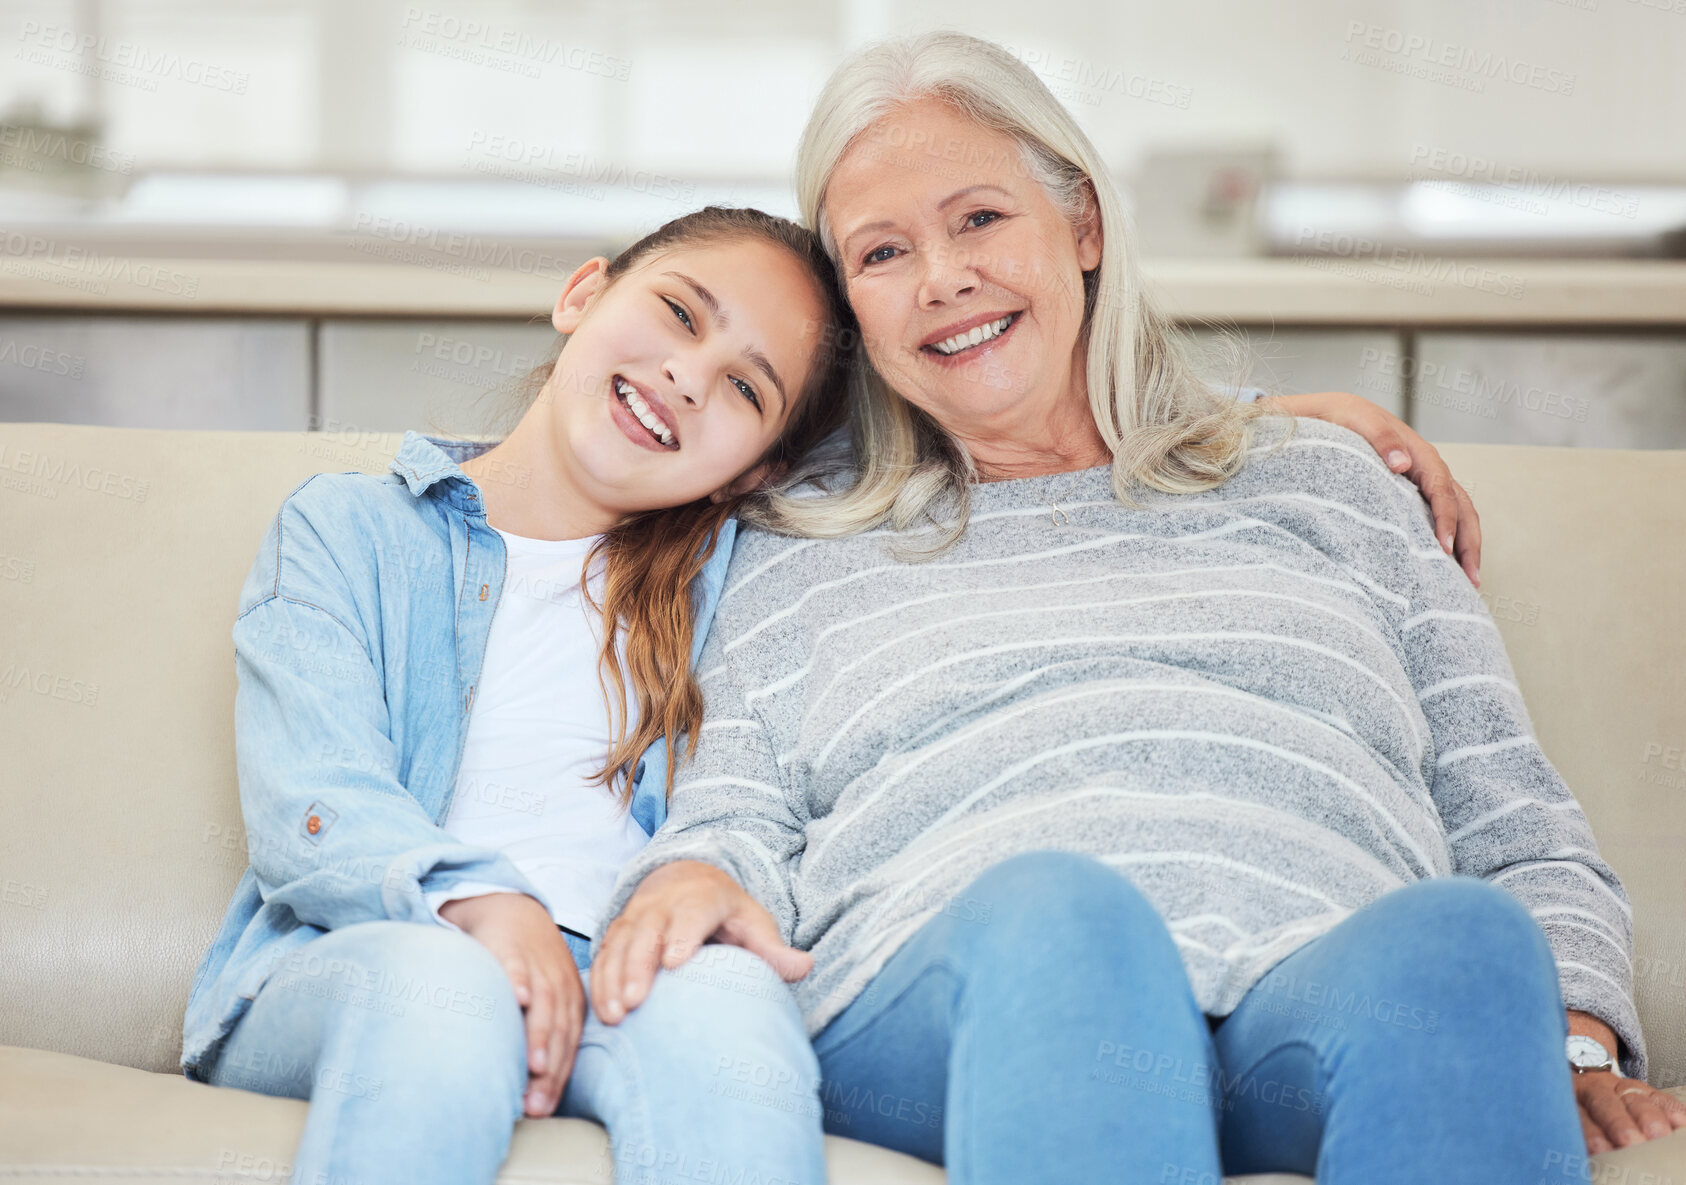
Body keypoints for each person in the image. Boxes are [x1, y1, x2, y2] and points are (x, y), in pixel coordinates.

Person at [590, 32, 1685, 1184]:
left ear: (1084, 227)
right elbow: (733, 810)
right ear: (853, 308)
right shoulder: (800, 537)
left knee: (1463, 941)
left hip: (1300, 991)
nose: (942, 278)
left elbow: (1512, 816)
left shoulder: (1328, 479)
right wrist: (693, 875)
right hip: (957, 992)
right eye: (881, 252)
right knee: (1069, 922)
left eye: (979, 220)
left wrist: (1573, 1035)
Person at [179, 207, 854, 1185]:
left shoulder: (741, 589)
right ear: (583, 294)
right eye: (677, 313)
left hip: (625, 971)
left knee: (734, 1021)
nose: (688, 376)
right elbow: (311, 798)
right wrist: (483, 901)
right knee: (446, 991)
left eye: (746, 387)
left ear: (751, 473)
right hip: (378, 949)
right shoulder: (347, 530)